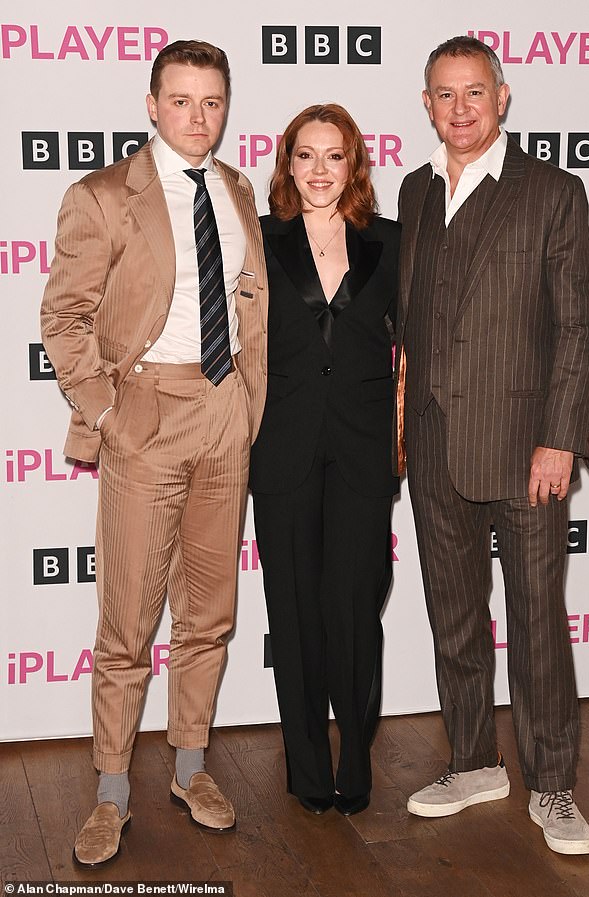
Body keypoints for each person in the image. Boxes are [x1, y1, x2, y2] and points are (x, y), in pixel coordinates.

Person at [40, 39, 267, 865]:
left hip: (223, 414)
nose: (198, 117)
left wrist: (247, 403)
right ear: (150, 103)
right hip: (145, 414)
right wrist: (109, 411)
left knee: (209, 614)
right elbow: (63, 318)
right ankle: (109, 789)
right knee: (128, 623)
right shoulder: (102, 196)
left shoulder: (238, 189)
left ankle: (193, 766)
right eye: (181, 101)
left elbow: (250, 304)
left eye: (212, 102)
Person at [394, 36, 589, 855]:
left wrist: (559, 440)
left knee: (538, 621)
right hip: (434, 443)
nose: (460, 109)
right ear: (426, 104)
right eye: (444, 95)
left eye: (474, 92)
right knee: (454, 616)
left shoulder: (552, 191)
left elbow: (577, 326)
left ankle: (552, 784)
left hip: (524, 449)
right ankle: (474, 759)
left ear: (504, 96)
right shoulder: (412, 191)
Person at [249, 104, 400, 816]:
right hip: (281, 447)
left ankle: (355, 759)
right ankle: (308, 765)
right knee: (296, 610)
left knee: (353, 607)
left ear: (354, 164)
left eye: (333, 156)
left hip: (366, 453)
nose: (318, 169)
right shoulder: (258, 238)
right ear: (286, 164)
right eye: (304, 155)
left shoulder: (389, 242)